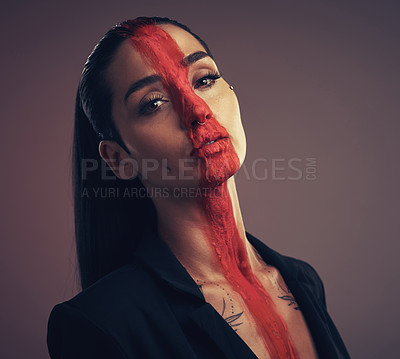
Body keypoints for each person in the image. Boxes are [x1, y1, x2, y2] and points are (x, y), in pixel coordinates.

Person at [46, 16, 351, 359]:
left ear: (232, 94)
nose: (197, 111)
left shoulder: (303, 281)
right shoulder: (99, 323)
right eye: (153, 103)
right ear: (118, 159)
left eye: (205, 79)